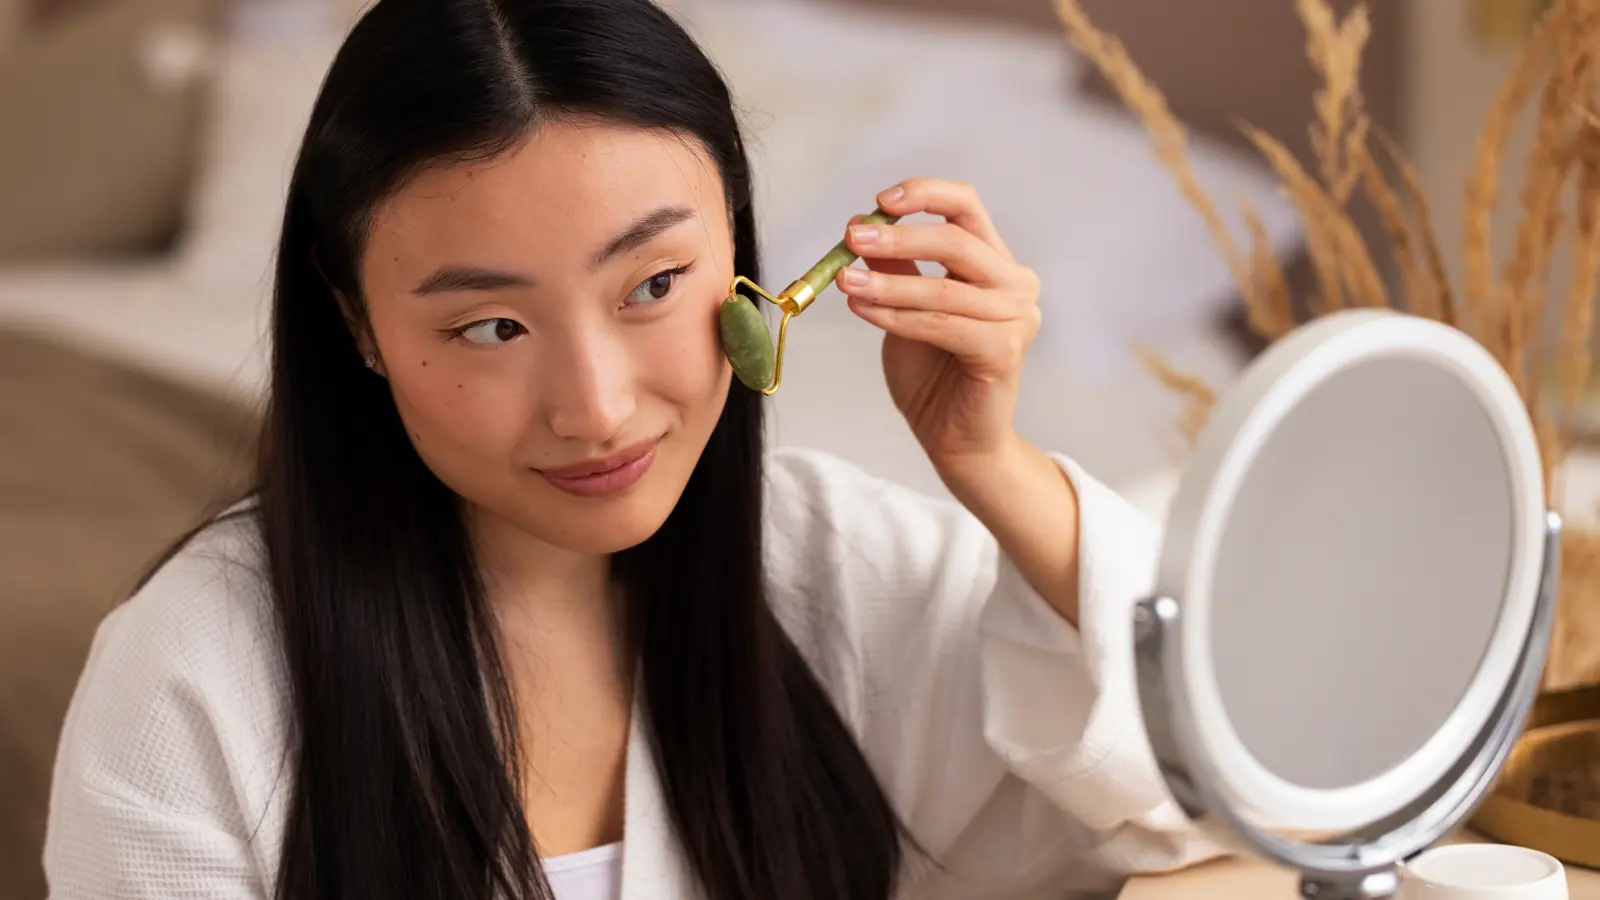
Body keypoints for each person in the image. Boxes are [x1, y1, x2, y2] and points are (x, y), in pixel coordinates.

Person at [42, 0, 1225, 897]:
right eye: (490, 326)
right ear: (357, 327)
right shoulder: (194, 682)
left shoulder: (833, 562)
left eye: (654, 284)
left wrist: (994, 467)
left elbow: (1222, 801)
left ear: (742, 259)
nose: (596, 408)